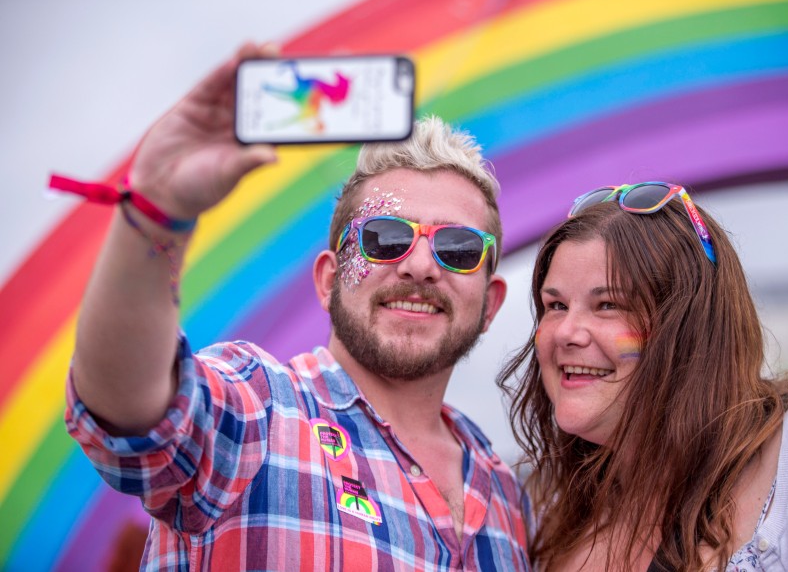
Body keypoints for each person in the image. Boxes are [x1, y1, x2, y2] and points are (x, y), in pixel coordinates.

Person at [61, 43, 531, 570]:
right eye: (385, 237)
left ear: (490, 303)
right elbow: (129, 407)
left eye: (458, 249)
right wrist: (156, 211)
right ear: (329, 280)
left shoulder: (509, 495)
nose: (421, 265)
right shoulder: (257, 412)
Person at [498, 181, 788, 571]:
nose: (566, 333)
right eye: (555, 305)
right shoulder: (554, 528)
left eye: (607, 304)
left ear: (688, 328)